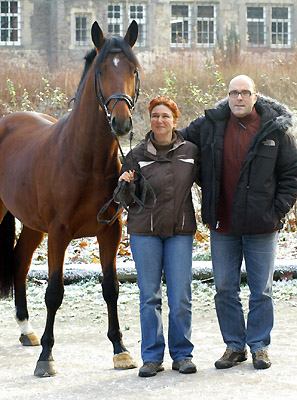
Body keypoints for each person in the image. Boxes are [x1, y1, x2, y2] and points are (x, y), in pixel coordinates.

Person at [179, 75, 297, 370]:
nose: (239, 98)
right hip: (223, 225)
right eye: (234, 93)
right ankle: (234, 346)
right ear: (227, 97)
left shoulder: (276, 130)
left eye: (245, 93)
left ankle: (259, 346)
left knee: (262, 290)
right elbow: (173, 138)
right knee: (225, 290)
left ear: (256, 96)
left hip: (262, 226)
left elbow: (292, 175)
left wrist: (277, 210)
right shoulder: (211, 124)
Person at [114, 97, 199, 377]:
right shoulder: (136, 154)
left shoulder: (191, 151)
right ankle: (151, 357)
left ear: (175, 120)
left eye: (165, 116)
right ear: (149, 120)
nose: (159, 121)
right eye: (154, 116)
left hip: (179, 232)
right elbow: (124, 199)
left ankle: (182, 354)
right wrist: (125, 185)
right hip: (145, 233)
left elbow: (210, 183)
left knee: (180, 296)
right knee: (149, 296)